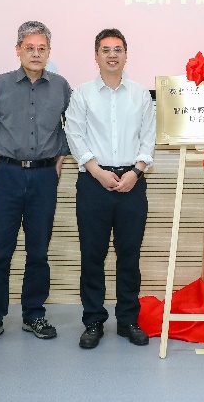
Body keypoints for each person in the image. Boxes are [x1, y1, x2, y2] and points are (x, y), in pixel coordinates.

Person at [0, 21, 71, 347]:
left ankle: (34, 314)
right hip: (7, 174)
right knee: (0, 251)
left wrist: (58, 163)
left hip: (44, 177)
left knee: (38, 251)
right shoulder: (1, 84)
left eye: (42, 48)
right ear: (18, 50)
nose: (36, 54)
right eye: (30, 48)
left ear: (49, 52)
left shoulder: (61, 86)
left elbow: (72, 130)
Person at [64, 28, 156, 349]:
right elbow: (75, 135)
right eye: (106, 50)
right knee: (93, 256)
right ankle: (93, 321)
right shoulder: (82, 94)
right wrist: (97, 172)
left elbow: (148, 137)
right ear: (97, 56)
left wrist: (136, 171)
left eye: (118, 49)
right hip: (93, 183)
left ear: (126, 55)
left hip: (132, 183)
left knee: (129, 256)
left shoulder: (140, 94)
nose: (112, 55)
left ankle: (128, 320)